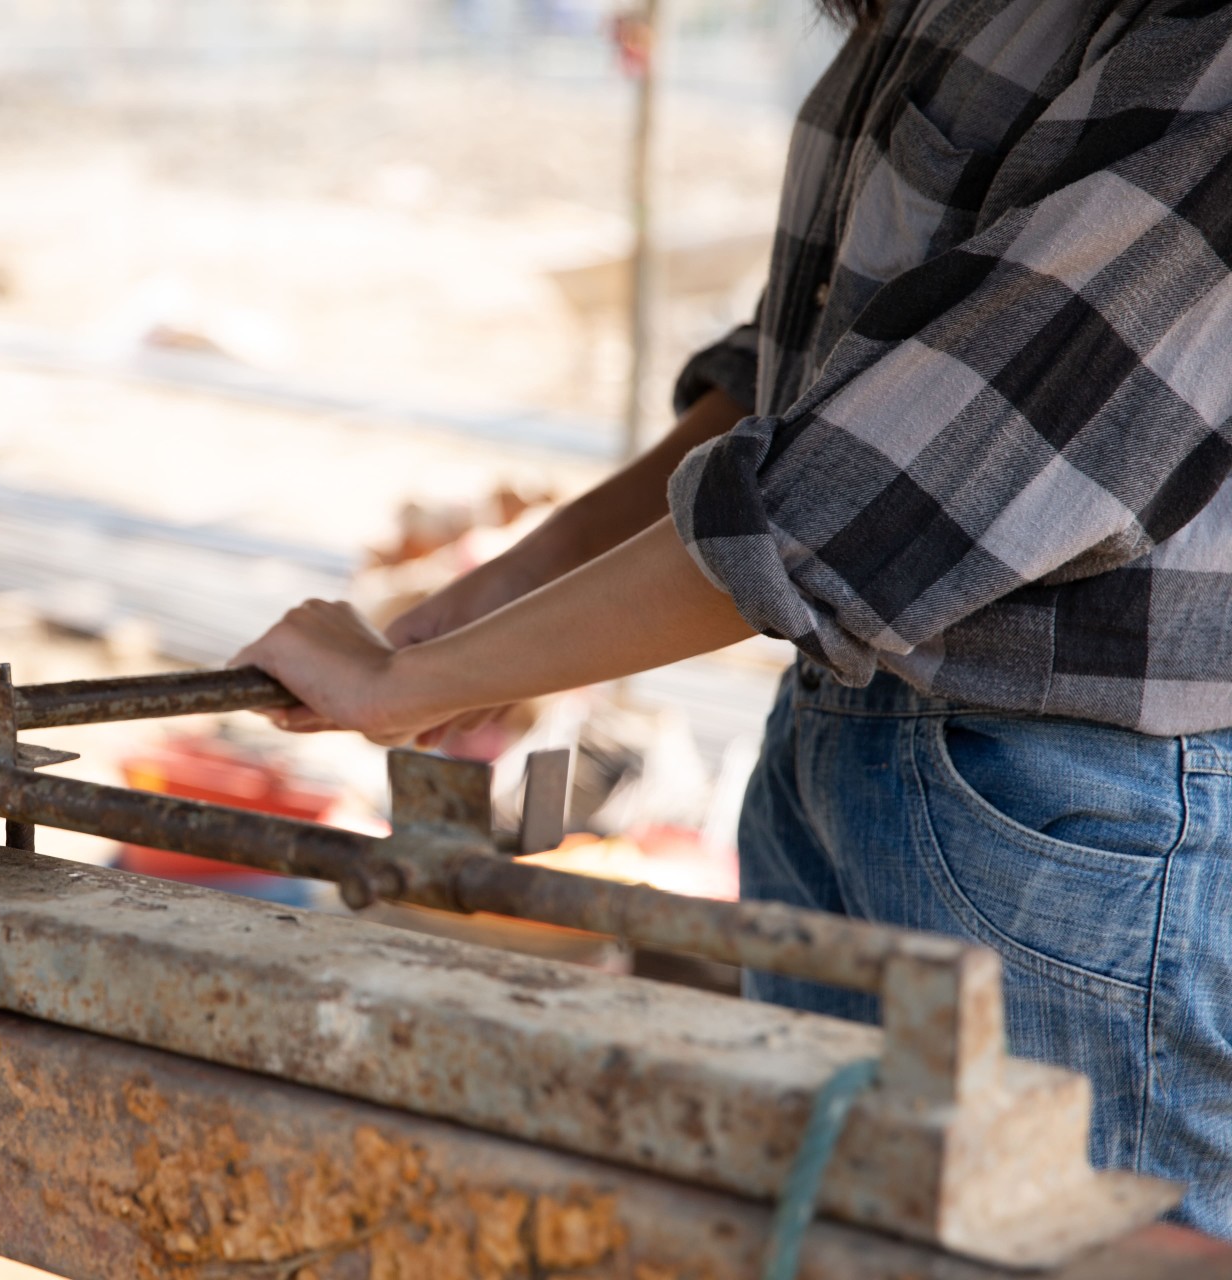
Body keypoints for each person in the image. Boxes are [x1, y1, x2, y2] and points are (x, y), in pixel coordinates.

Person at [232, 0, 1232, 1239]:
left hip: (1068, 819)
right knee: (830, 1233)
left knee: (1061, 1248)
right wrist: (514, 590)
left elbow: (877, 494)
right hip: (848, 736)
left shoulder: (1199, 41)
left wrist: (406, 689)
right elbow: (804, 379)